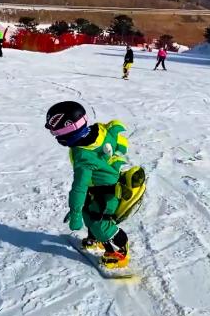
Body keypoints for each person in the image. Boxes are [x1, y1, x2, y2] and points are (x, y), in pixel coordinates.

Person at [44, 101, 139, 269]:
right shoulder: (98, 131)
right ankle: (96, 238)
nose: (55, 136)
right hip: (98, 189)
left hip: (107, 195)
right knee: (89, 213)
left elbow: (78, 188)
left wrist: (75, 213)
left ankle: (120, 252)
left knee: (99, 222)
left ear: (68, 129)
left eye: (55, 132)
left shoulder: (83, 156)